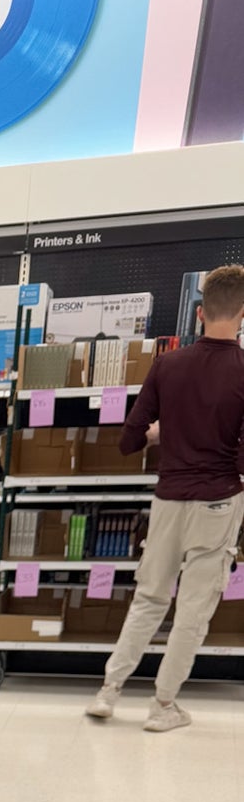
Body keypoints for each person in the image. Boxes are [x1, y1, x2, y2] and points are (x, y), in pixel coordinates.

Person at [86, 263, 244, 730]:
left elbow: (129, 439)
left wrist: (161, 435)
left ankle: (108, 693)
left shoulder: (168, 364)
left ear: (199, 313)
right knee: (193, 611)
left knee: (149, 599)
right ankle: (163, 707)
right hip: (218, 501)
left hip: (168, 498)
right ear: (241, 313)